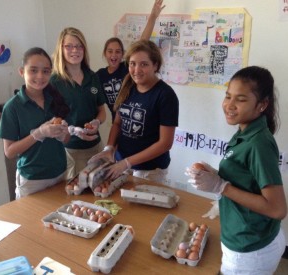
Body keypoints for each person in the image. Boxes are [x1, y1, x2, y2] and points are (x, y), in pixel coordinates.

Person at [186, 66, 287, 274]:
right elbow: (246, 179)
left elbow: (278, 209)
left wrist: (222, 186)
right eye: (228, 96)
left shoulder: (258, 143)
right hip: (243, 238)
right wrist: (215, 175)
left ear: (262, 105)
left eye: (240, 99)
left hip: (251, 250)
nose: (229, 105)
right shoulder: (245, 131)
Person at [91, 40, 179, 184]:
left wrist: (127, 162)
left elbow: (165, 143)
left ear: (155, 65)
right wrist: (109, 148)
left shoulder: (165, 95)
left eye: (144, 64)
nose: (136, 70)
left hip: (149, 170)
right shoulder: (127, 86)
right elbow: (118, 123)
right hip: (121, 163)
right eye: (132, 64)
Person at [0, 47, 70, 199]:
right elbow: (9, 151)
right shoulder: (12, 107)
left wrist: (63, 133)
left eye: (45, 71)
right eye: (33, 70)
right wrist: (38, 133)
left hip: (60, 173)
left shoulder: (55, 99)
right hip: (32, 179)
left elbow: (66, 140)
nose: (40, 76)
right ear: (21, 71)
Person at [51, 27, 107, 180]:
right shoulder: (54, 82)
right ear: (61, 49)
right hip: (70, 150)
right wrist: (72, 129)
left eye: (79, 45)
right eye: (69, 46)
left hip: (96, 146)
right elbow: (51, 120)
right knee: (77, 196)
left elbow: (102, 111)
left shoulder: (92, 77)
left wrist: (97, 121)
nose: (74, 50)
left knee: (100, 189)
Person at [96, 0, 165, 122]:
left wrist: (153, 16)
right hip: (116, 123)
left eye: (118, 51)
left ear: (123, 54)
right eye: (110, 51)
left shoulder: (127, 67)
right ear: (105, 54)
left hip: (135, 118)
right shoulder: (99, 75)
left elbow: (142, 42)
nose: (114, 55)